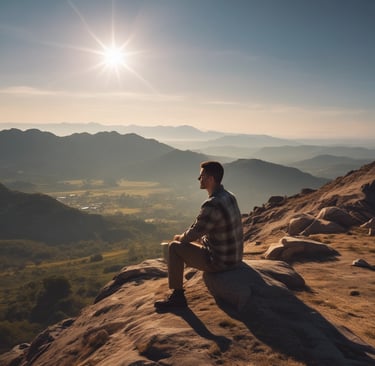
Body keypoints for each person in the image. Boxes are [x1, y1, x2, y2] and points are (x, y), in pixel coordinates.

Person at [154, 160, 243, 311]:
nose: (199, 179)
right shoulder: (229, 196)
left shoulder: (212, 204)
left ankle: (178, 297)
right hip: (235, 257)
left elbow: (194, 232)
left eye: (201, 176)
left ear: (211, 179)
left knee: (174, 247)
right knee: (186, 241)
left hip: (220, 262)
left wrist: (180, 238)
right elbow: (204, 229)